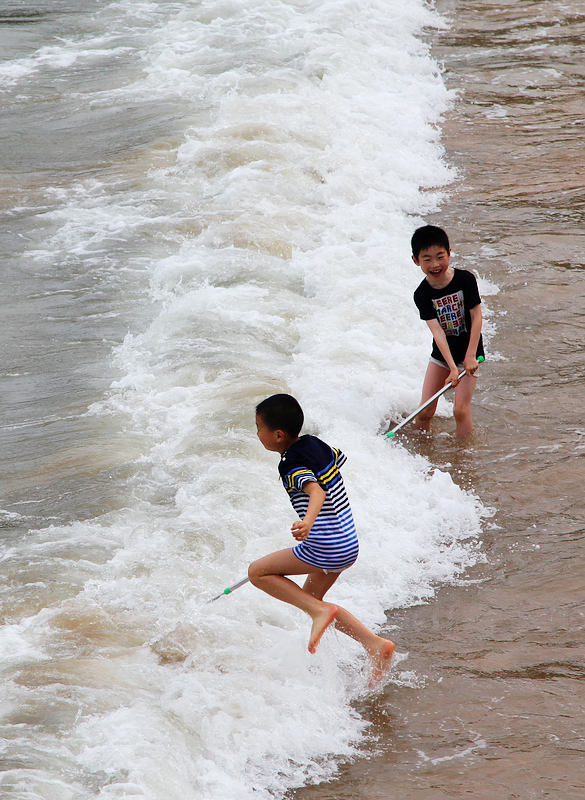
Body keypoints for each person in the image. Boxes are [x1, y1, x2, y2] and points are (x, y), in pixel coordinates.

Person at [248, 394, 395, 684]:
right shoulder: (315, 443)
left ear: (278, 435)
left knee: (257, 572)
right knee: (311, 599)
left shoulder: (289, 464)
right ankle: (375, 644)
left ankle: (320, 612)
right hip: (348, 543)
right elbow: (336, 460)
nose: (257, 434)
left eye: (258, 428)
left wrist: (307, 522)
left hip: (326, 546)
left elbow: (316, 491)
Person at [411, 224, 484, 438]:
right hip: (442, 355)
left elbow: (476, 317)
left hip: (470, 353)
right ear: (416, 260)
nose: (435, 264)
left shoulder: (465, 280)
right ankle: (421, 453)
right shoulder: (421, 294)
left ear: (449, 253)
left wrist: (470, 356)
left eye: (440, 257)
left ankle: (464, 453)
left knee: (460, 410)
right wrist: (452, 367)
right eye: (427, 259)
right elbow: (437, 332)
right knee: (424, 412)